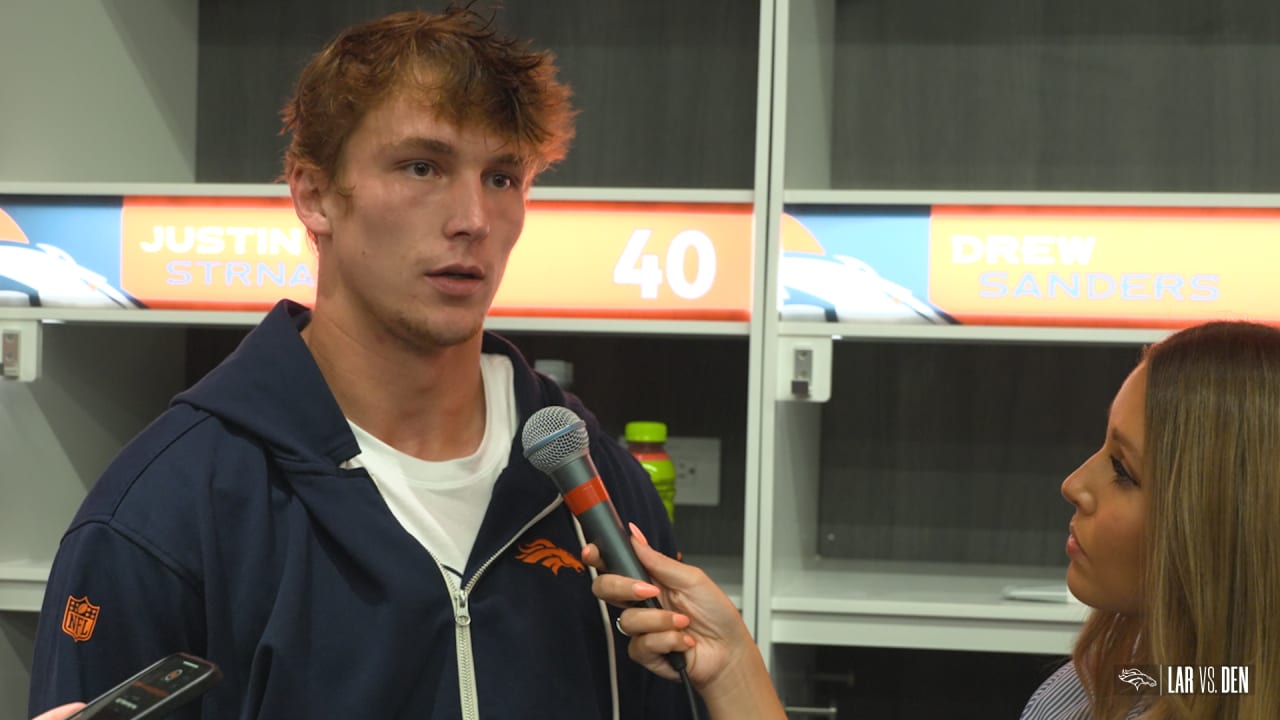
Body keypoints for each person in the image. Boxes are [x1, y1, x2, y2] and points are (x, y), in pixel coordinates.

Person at [28, 7, 692, 719]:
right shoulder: (165, 510)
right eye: (422, 167)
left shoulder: (594, 482)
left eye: (502, 177)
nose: (472, 217)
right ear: (314, 196)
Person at [588, 321, 1280, 719]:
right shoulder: (1128, 681)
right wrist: (732, 661)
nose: (1075, 484)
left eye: (1123, 471)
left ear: (1218, 525)